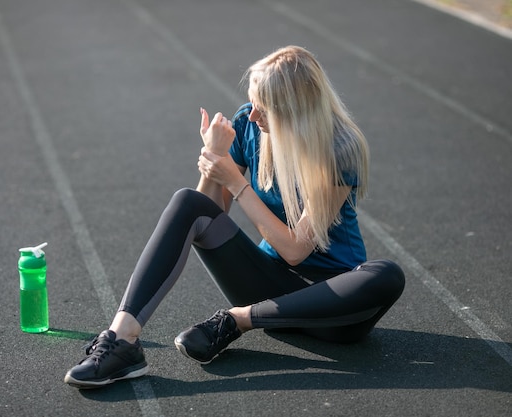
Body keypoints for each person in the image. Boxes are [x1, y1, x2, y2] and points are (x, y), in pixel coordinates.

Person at [63, 45, 405, 388]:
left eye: (264, 107)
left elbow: (295, 250)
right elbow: (209, 213)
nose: (253, 115)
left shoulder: (339, 148)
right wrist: (214, 160)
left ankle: (236, 320)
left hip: (330, 307)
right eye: (253, 102)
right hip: (267, 284)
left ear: (295, 109)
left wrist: (236, 181)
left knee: (386, 274)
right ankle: (122, 341)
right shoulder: (250, 124)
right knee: (187, 201)